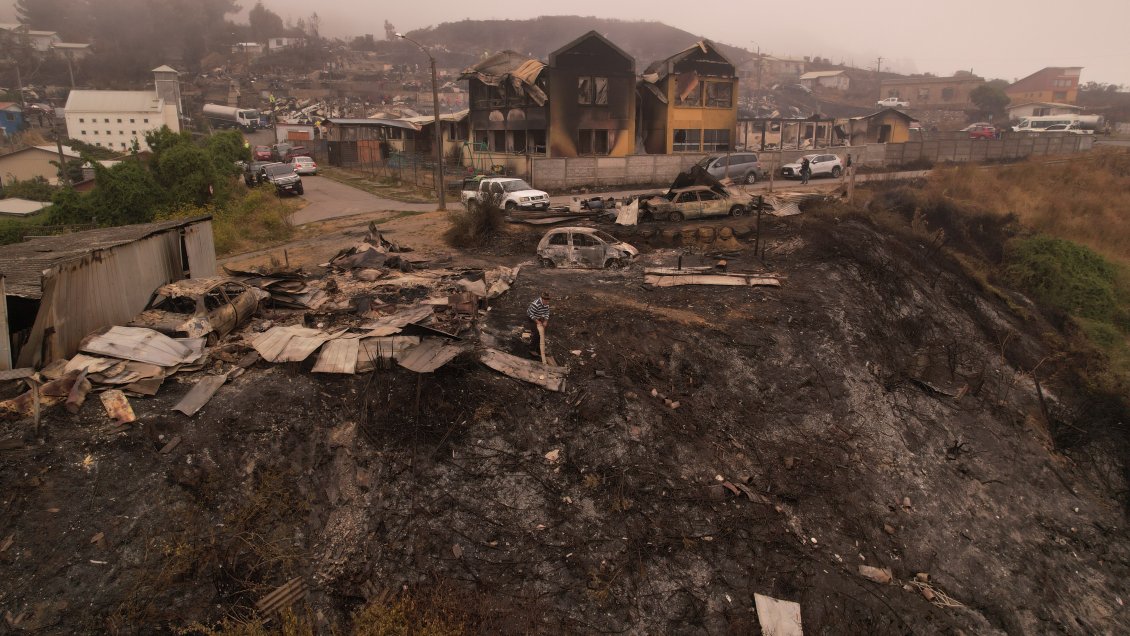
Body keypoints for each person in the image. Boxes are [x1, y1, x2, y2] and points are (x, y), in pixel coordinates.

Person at [527, 293, 551, 358]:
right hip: (532, 318)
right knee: (536, 333)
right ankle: (531, 349)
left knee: (542, 333)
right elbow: (530, 314)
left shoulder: (546, 303)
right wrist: (537, 321)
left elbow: (547, 312)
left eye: (548, 301)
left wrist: (545, 321)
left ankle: (538, 348)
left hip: (539, 317)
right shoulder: (535, 304)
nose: (547, 303)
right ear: (542, 299)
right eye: (546, 301)